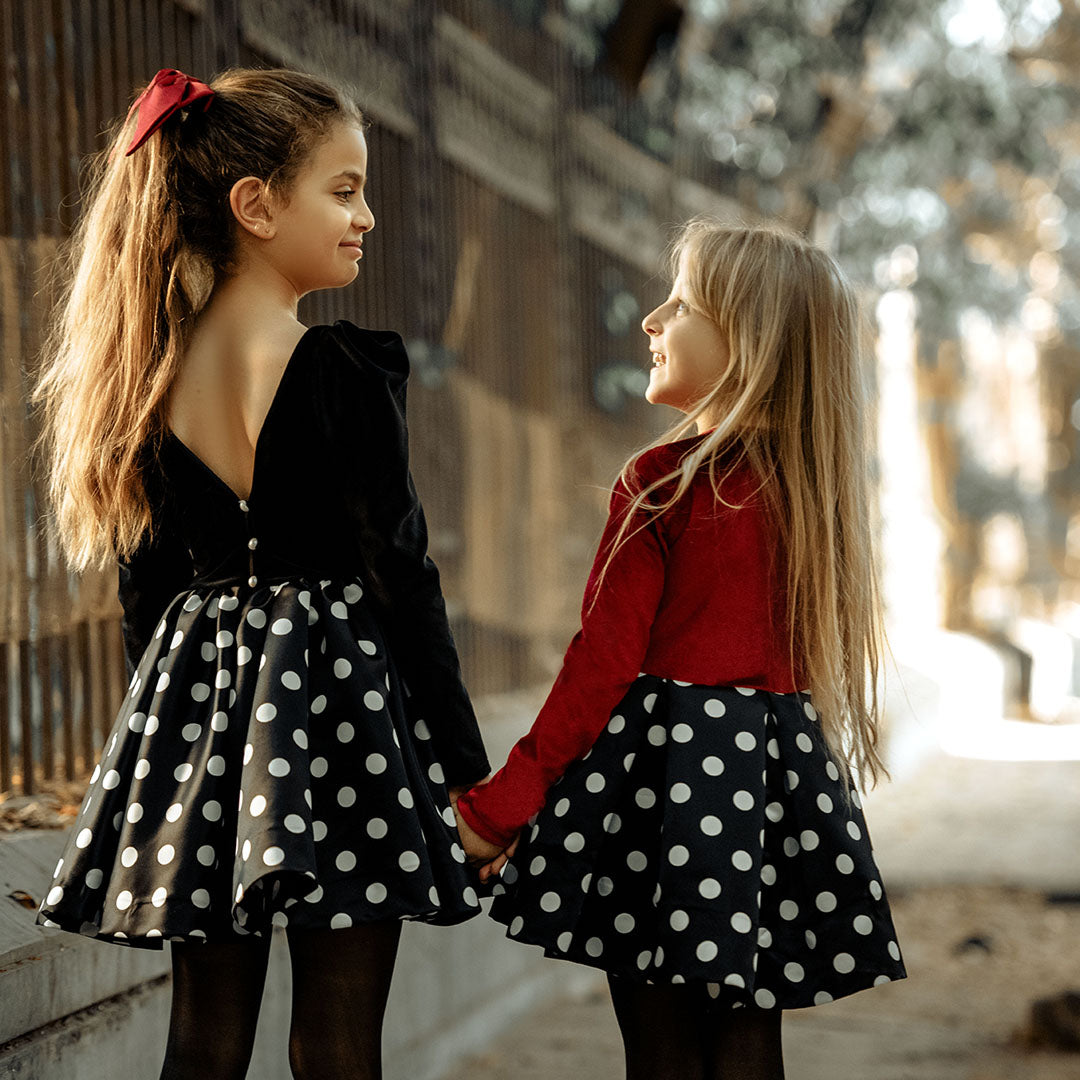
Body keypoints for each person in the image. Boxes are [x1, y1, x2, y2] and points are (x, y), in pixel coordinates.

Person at [34, 67, 489, 1080]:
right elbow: (403, 578)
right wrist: (465, 770)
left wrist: (165, 751)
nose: (366, 215)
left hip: (198, 728)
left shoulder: (142, 383)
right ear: (255, 206)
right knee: (338, 1041)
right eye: (343, 189)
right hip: (346, 727)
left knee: (200, 1041)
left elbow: (146, 602)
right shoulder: (344, 376)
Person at [454, 220, 907, 1080]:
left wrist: (497, 808)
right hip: (771, 794)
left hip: (658, 796)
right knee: (747, 1038)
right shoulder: (814, 501)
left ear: (750, 340)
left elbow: (601, 664)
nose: (651, 321)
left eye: (682, 303)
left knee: (660, 1047)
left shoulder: (662, 481)